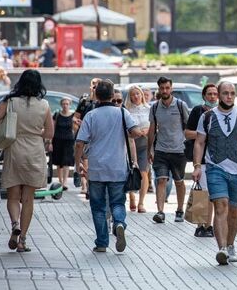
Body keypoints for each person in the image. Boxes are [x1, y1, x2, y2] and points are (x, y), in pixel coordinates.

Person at [191, 80, 237, 265]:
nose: (229, 97)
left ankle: (230, 245)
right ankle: (222, 248)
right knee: (221, 206)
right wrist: (197, 166)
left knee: (234, 212)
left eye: (232, 93)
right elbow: (199, 142)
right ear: (219, 95)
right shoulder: (207, 117)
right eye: (225, 93)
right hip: (215, 168)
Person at [0, 70, 54, 253]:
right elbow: (49, 133)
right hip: (35, 152)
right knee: (28, 199)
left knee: (13, 196)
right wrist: (35, 132)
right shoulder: (44, 105)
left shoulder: (10, 101)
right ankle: (22, 240)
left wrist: (1, 133)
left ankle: (14, 223)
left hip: (14, 149)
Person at [74, 80, 138, 253]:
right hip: (118, 168)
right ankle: (119, 223)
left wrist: (78, 164)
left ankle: (102, 243)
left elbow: (79, 143)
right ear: (112, 95)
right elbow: (135, 133)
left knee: (98, 207)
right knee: (118, 202)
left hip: (96, 169)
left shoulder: (91, 116)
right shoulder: (122, 113)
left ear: (96, 96)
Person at [147, 76, 190, 223]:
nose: (165, 91)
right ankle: (160, 212)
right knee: (161, 180)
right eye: (162, 88)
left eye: (167, 88)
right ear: (158, 89)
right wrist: (149, 150)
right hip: (161, 150)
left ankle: (180, 210)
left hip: (179, 150)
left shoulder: (180, 105)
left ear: (171, 88)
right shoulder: (154, 107)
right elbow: (152, 130)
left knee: (179, 181)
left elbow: (188, 127)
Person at [184, 83, 219, 237]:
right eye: (209, 94)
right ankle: (200, 225)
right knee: (202, 192)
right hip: (201, 158)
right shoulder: (198, 111)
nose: (212, 97)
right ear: (204, 96)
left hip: (217, 158)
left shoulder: (221, 112)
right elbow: (187, 133)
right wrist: (203, 134)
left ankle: (208, 225)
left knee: (213, 194)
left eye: (215, 94)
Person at [125, 85, 151, 213]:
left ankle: (141, 202)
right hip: (130, 143)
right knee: (130, 170)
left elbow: (155, 125)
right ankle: (131, 195)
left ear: (142, 95)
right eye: (133, 94)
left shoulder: (148, 109)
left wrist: (148, 130)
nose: (136, 96)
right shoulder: (127, 110)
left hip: (145, 143)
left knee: (143, 172)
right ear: (130, 97)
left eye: (138, 94)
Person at [73, 78, 101, 197]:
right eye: (93, 85)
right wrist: (76, 121)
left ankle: (90, 185)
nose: (95, 87)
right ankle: (87, 186)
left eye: (97, 85)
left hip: (97, 137)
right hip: (85, 135)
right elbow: (75, 116)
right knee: (85, 161)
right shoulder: (85, 101)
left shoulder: (102, 102)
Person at [51, 98, 76, 190]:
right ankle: (60, 180)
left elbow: (75, 129)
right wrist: (50, 141)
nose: (65, 106)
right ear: (61, 105)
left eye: (67, 104)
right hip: (57, 140)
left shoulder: (73, 116)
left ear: (70, 105)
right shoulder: (57, 115)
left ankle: (65, 182)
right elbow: (53, 128)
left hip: (68, 141)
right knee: (58, 162)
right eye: (64, 104)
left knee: (66, 161)